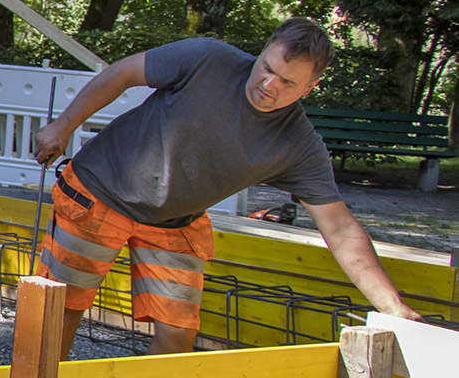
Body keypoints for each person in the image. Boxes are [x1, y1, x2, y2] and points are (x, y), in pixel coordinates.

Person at [32, 18, 420, 355]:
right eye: (266, 68)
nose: (269, 84)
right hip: (99, 192)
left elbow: (339, 226)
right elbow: (123, 73)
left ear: (309, 88)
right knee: (63, 307)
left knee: (179, 331)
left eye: (287, 82)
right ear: (264, 50)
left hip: (174, 223)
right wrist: (62, 126)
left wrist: (392, 307)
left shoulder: (298, 145)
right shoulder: (207, 58)